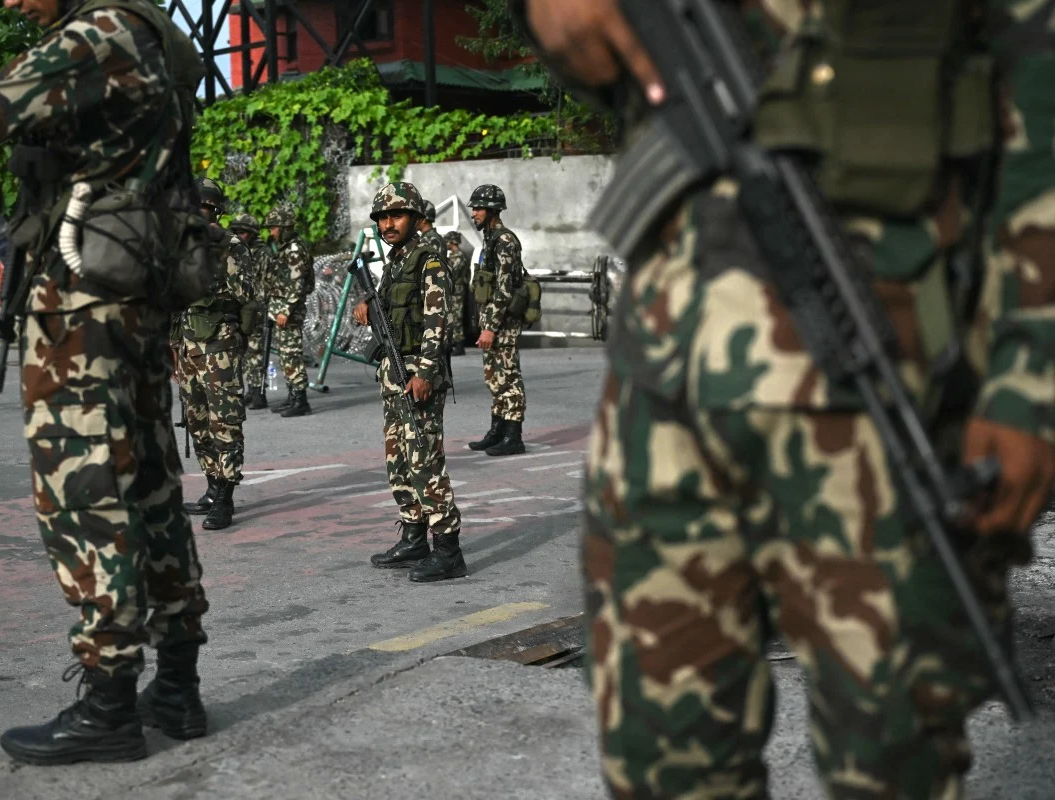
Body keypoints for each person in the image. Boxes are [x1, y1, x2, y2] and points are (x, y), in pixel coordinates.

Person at [520, 0, 1055, 797]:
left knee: (894, 769)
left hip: (887, 409)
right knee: (662, 768)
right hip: (664, 403)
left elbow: (1043, 137)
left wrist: (1031, 385)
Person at [0, 0, 211, 765]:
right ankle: (177, 687)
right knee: (149, 480)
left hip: (82, 303)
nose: (11, 2)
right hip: (138, 289)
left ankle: (110, 701)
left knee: (81, 488)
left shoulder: (94, 36)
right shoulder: (156, 40)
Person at [353, 182, 466, 582]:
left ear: (416, 219)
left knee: (425, 460)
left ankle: (448, 549)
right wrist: (367, 302)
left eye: (396, 215)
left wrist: (425, 372)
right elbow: (390, 307)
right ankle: (414, 534)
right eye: (382, 217)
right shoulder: (399, 259)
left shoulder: (429, 259)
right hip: (392, 372)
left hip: (416, 371)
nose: (388, 223)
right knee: (398, 459)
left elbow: (439, 323)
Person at [176, 178, 256, 530]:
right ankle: (211, 484)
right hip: (186, 343)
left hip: (219, 343)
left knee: (224, 419)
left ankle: (225, 496)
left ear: (215, 212)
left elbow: (246, 293)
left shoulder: (231, 246)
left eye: (202, 209)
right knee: (196, 420)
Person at [467, 184, 527, 457]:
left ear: (492, 211)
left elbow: (504, 289)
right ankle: (497, 430)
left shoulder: (505, 242)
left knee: (509, 377)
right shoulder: (489, 239)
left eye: (478, 208)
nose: (474, 213)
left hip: (503, 322)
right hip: (491, 319)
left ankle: (513, 435)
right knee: (494, 376)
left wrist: (490, 327)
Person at [263, 206, 314, 418]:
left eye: (274, 228)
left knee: (292, 354)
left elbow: (297, 283)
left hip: (289, 311)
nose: (271, 232)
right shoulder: (284, 247)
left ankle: (301, 399)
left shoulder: (294, 249)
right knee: (285, 355)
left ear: (284, 227)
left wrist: (285, 310)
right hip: (281, 308)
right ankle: (293, 396)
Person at [231, 213, 274, 410]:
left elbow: (267, 280)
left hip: (256, 306)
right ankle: (251, 389)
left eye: (243, 232)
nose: (239, 235)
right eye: (236, 231)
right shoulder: (238, 250)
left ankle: (258, 392)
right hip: (242, 305)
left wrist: (262, 303)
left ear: (251, 233)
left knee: (256, 349)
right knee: (245, 349)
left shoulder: (262, 252)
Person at [444, 231, 469, 356]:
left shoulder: (459, 257)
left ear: (452, 242)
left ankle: (459, 346)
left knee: (457, 318)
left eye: (447, 241)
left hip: (458, 292)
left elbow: (453, 273)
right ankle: (454, 342)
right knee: (452, 318)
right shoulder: (453, 256)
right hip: (453, 291)